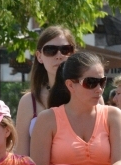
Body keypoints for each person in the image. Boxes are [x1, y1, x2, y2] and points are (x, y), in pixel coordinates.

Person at [15, 26, 77, 156]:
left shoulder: (89, 93)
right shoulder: (28, 101)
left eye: (66, 49)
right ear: (39, 56)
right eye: (50, 50)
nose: (59, 56)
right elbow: (22, 156)